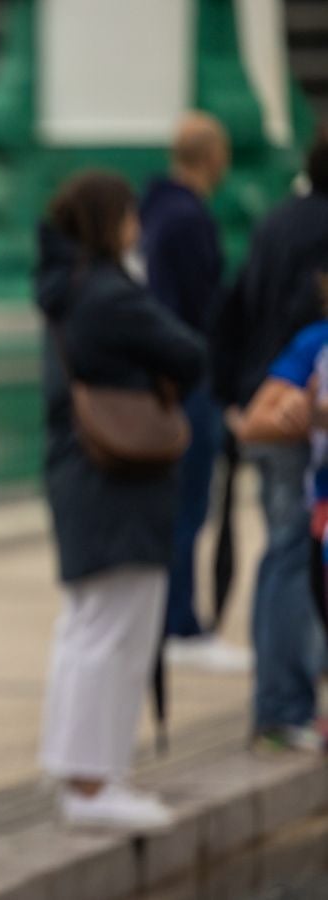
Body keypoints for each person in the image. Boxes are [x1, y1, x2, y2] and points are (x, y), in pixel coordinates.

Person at [37, 171, 206, 830]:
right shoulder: (109, 291)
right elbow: (189, 351)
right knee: (114, 631)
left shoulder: (67, 288)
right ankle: (92, 784)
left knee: (87, 628)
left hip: (84, 478)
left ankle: (80, 772)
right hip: (116, 487)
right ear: (112, 221)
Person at [212, 124, 328, 751]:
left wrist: (234, 398)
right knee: (296, 554)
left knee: (284, 551)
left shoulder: (277, 222)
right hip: (299, 415)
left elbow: (233, 309)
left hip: (264, 402)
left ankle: (279, 701)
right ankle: (285, 704)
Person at [138, 113, 247, 673]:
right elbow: (204, 309)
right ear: (211, 156)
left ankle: (176, 616)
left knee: (180, 506)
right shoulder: (187, 218)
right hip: (192, 382)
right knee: (189, 506)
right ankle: (180, 619)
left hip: (171, 381)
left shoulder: (157, 213)